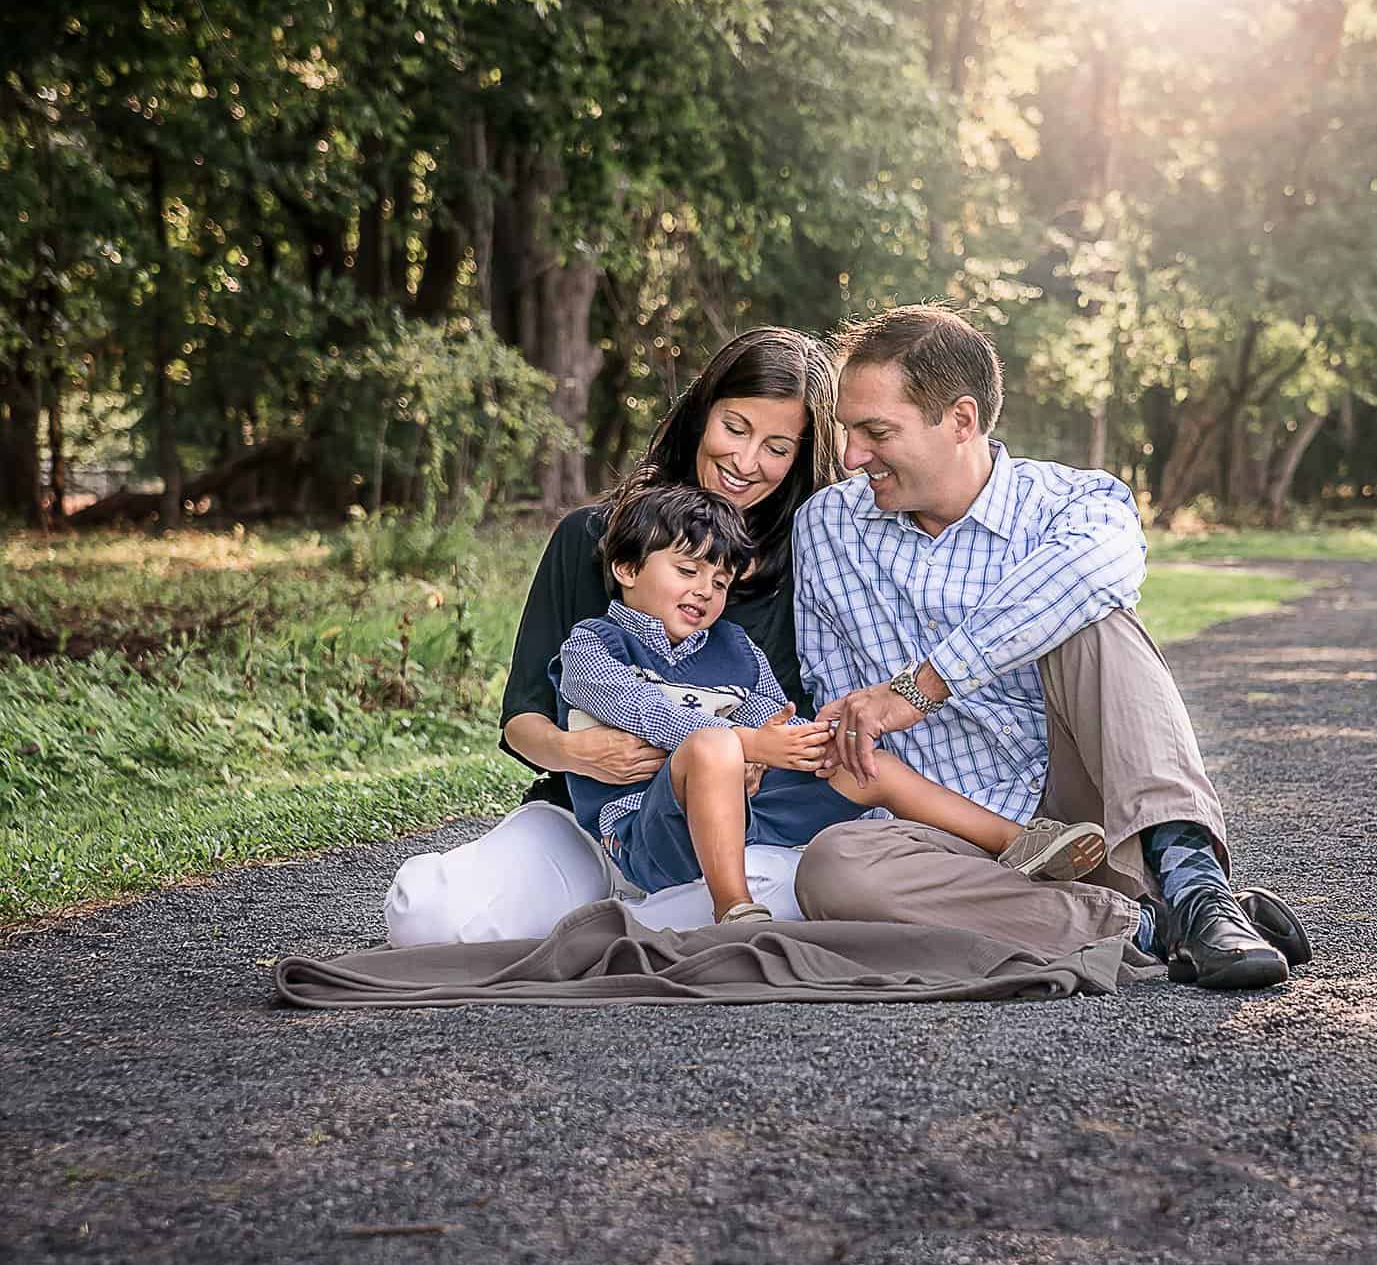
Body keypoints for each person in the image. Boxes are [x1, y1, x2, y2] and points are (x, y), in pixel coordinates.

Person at [789, 305, 1313, 989]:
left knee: (1098, 621)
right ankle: (1146, 927)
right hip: (954, 836)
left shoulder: (1076, 502)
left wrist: (922, 686)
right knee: (834, 869)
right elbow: (854, 737)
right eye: (847, 431)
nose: (853, 457)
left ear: (962, 420)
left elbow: (1091, 576)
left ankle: (1195, 888)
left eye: (876, 432)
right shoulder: (826, 527)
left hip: (1094, 814)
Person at [554, 479, 1111, 923]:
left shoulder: (734, 647)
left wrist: (796, 744)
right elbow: (636, 708)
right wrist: (746, 747)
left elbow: (770, 714)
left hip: (745, 808)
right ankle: (734, 907)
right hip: (646, 832)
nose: (705, 590)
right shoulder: (595, 643)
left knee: (863, 764)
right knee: (709, 746)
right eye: (687, 570)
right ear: (627, 570)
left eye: (721, 581)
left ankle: (1019, 842)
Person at [500, 327, 839, 811]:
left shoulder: (807, 569)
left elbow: (792, 725)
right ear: (702, 415)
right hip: (583, 812)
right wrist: (574, 753)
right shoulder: (590, 537)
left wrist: (755, 755)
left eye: (777, 448)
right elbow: (522, 719)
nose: (745, 461)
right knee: (452, 891)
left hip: (732, 829)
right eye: (735, 428)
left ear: (798, 459)